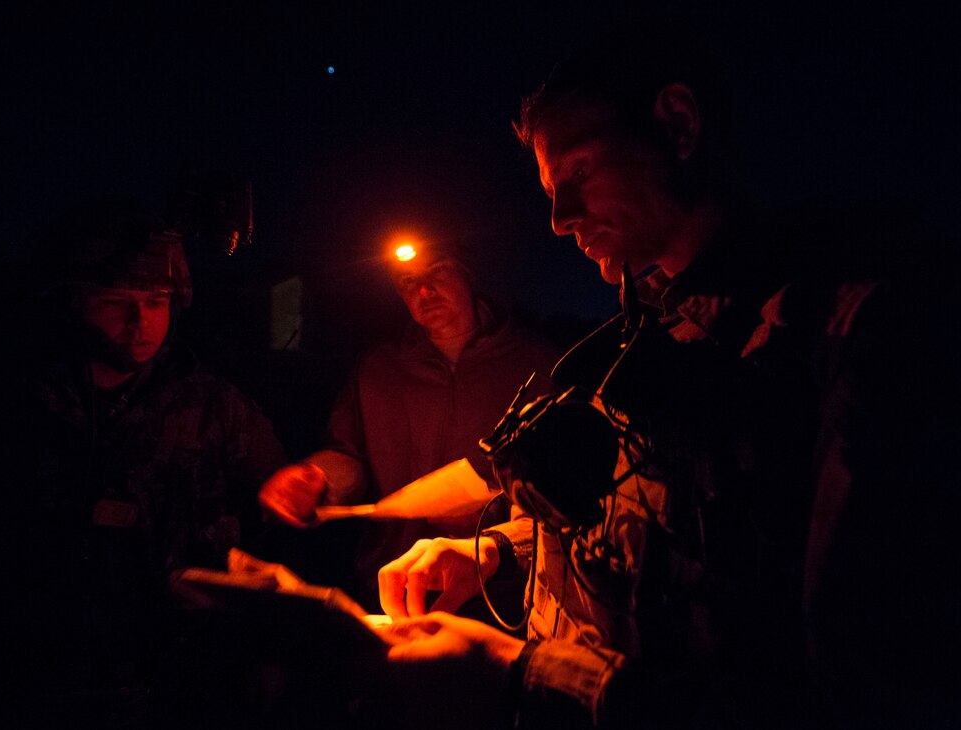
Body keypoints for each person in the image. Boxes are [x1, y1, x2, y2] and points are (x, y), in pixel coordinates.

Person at [375, 26, 959, 730]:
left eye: (579, 175)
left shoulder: (858, 337)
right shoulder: (648, 335)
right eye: (551, 192)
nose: (559, 221)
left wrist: (518, 675)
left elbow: (855, 688)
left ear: (677, 126)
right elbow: (651, 532)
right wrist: (495, 553)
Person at [0, 197, 289, 725]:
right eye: (116, 301)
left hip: (193, 675)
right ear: (73, 302)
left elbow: (281, 519)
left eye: (156, 302)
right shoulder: (23, 409)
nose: (140, 323)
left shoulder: (213, 406)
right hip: (59, 678)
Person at [258, 236, 559, 611]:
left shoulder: (535, 365)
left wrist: (490, 523)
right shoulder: (380, 368)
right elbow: (349, 452)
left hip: (499, 593)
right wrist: (315, 477)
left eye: (437, 271)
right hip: (392, 584)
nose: (423, 290)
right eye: (406, 281)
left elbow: (562, 484)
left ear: (466, 273)